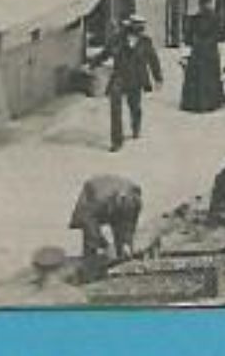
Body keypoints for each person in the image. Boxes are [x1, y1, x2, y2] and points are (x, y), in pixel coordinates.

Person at [68, 174, 143, 280]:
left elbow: (129, 225)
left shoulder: (134, 202)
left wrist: (127, 243)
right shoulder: (98, 199)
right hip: (92, 198)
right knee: (91, 241)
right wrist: (106, 245)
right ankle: (89, 272)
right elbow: (90, 225)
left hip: (115, 200)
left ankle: (120, 266)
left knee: (122, 243)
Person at [107, 18, 162, 151]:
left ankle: (136, 126)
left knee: (135, 106)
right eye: (135, 29)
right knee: (115, 108)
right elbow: (105, 53)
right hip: (119, 77)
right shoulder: (117, 40)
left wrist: (158, 78)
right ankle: (117, 141)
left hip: (136, 80)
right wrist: (92, 65)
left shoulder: (145, 42)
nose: (138, 33)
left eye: (140, 29)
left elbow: (153, 60)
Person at [179, 0, 225, 114]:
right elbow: (222, 36)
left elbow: (187, 38)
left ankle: (194, 103)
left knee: (196, 76)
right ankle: (211, 102)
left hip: (197, 50)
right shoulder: (217, 18)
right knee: (211, 75)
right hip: (210, 50)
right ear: (210, 3)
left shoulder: (194, 19)